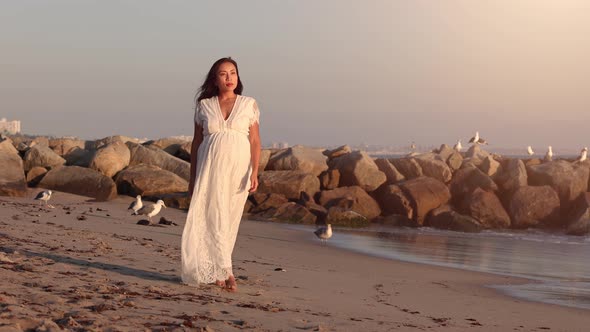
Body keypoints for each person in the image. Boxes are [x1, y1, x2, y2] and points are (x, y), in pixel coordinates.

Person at [181, 57, 261, 292]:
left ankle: (219, 269)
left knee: (229, 219)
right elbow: (196, 143)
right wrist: (192, 177)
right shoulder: (204, 105)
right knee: (211, 217)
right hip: (209, 168)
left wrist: (255, 172)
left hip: (238, 169)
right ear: (214, 79)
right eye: (223, 74)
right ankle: (225, 271)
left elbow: (255, 141)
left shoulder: (249, 104)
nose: (229, 78)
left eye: (233, 73)